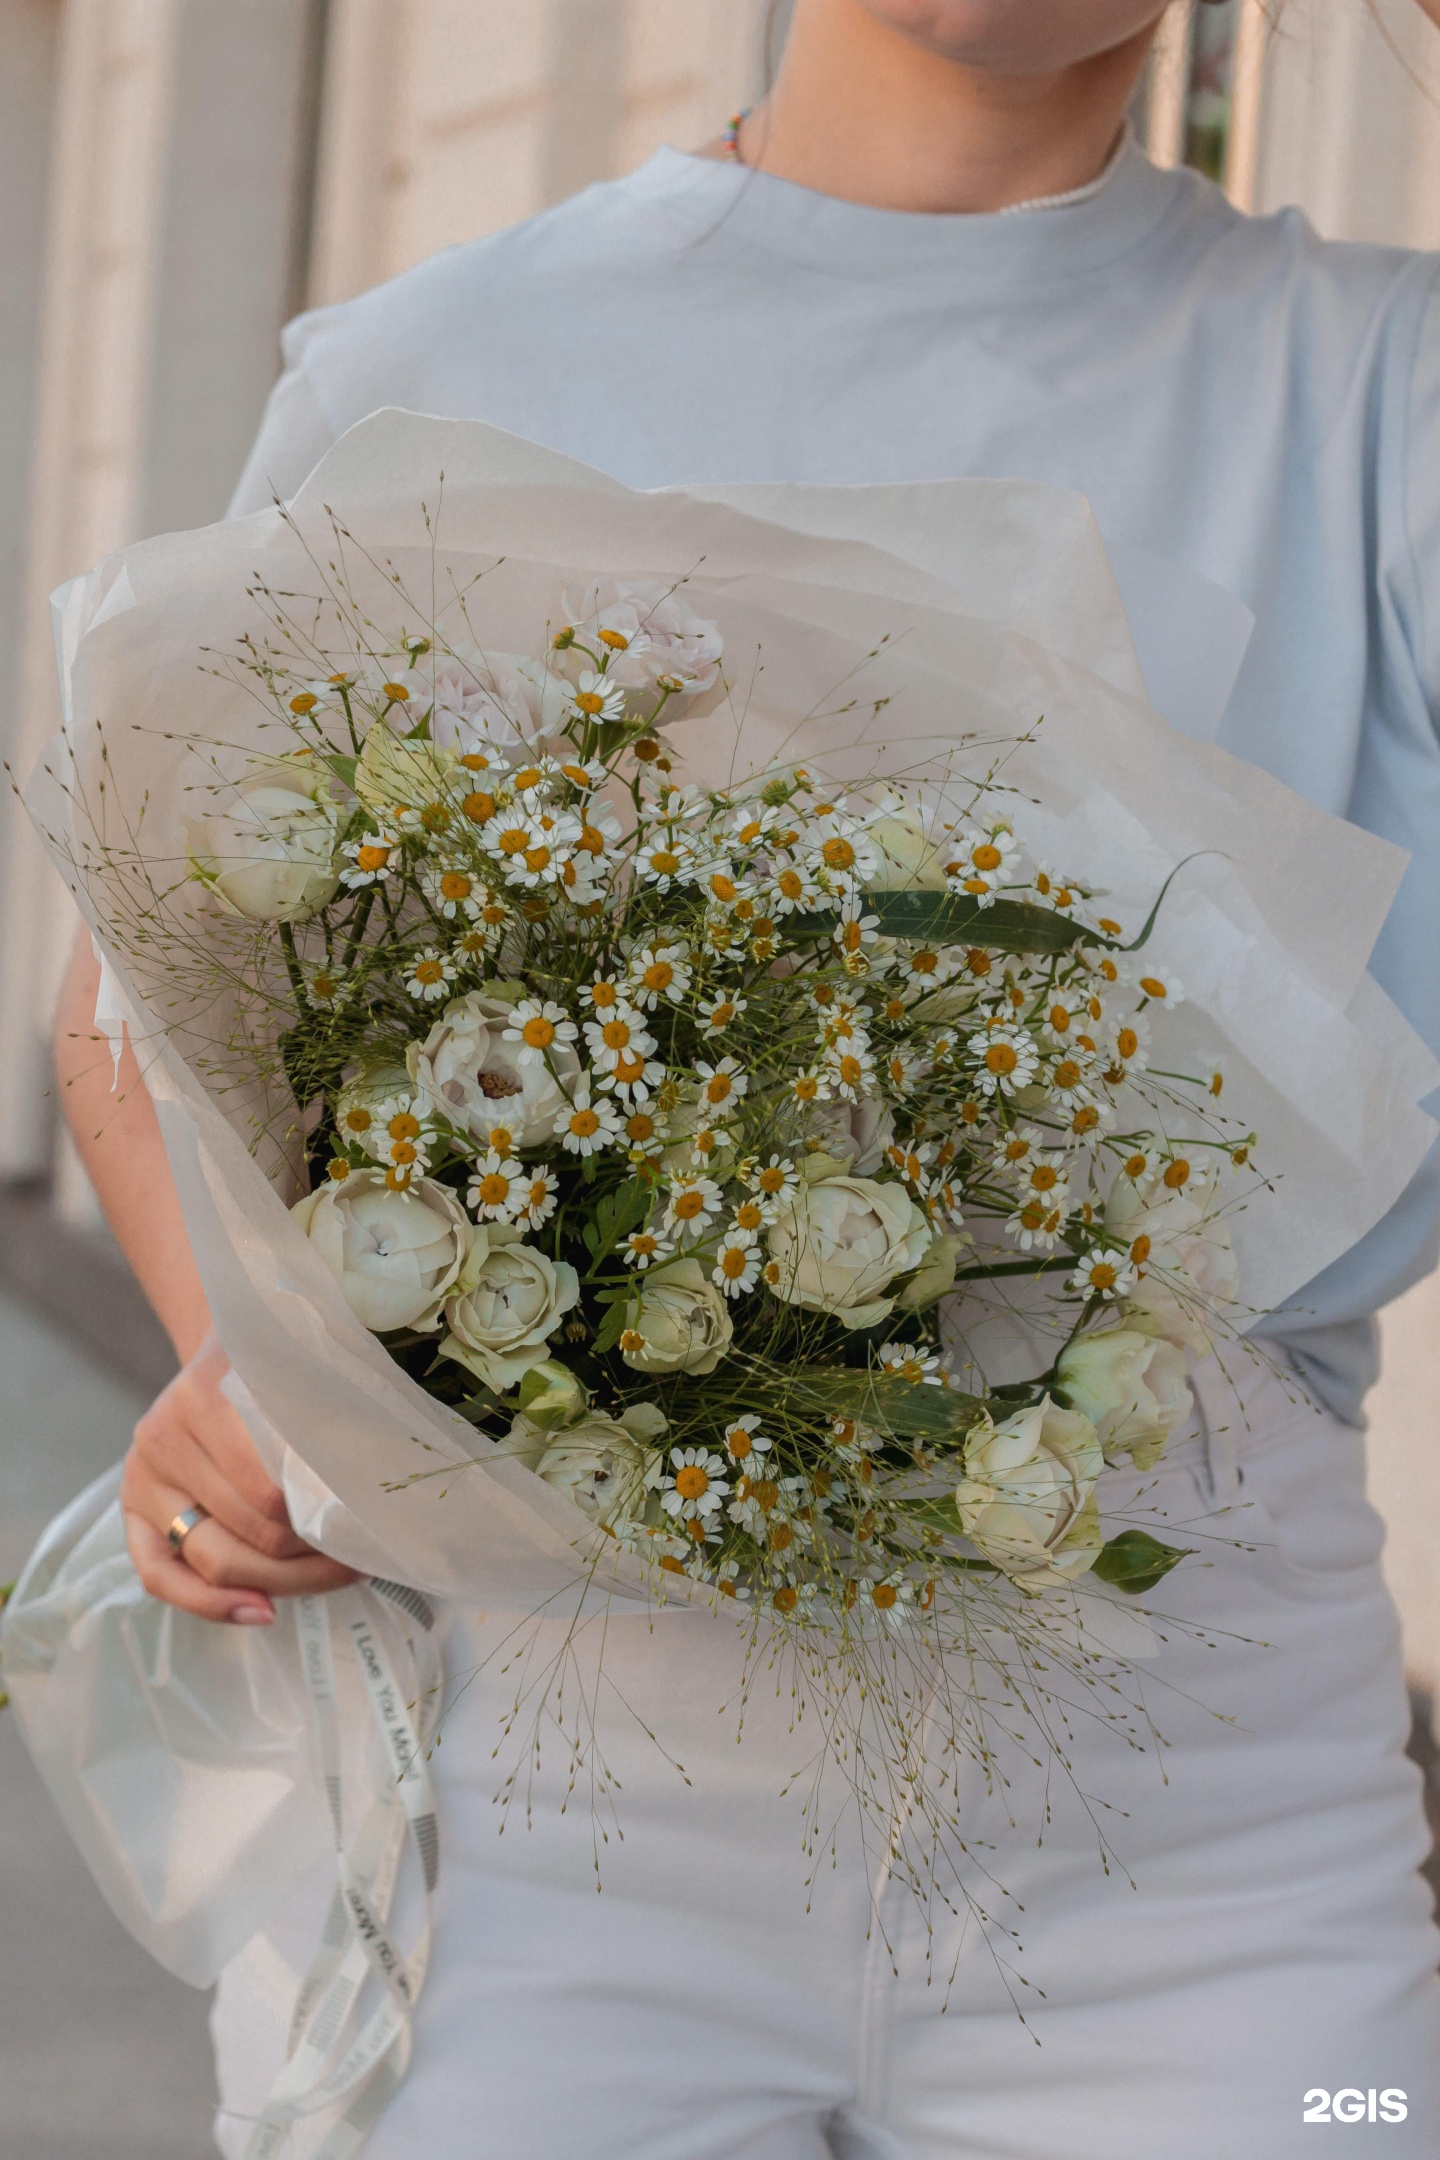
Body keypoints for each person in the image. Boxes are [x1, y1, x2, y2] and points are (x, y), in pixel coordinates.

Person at [53, 2, 1440, 2153]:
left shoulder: (1382, 392)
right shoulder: (438, 365)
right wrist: (233, 1364)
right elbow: (130, 998)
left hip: (1211, 1833)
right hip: (542, 1818)